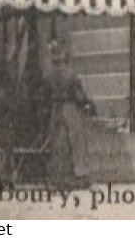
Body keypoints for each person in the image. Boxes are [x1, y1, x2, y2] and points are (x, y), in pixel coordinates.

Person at [45, 40, 96, 188]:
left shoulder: (50, 76)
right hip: (70, 110)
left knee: (58, 144)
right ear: (66, 59)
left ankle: (58, 177)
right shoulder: (71, 75)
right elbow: (80, 97)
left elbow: (46, 95)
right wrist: (88, 104)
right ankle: (79, 176)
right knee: (76, 141)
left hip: (56, 110)